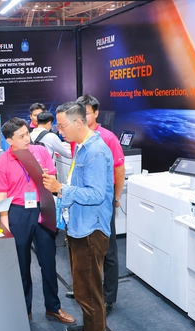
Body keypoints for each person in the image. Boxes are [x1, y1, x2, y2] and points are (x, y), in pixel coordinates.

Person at [43, 101, 113, 331]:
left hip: (90, 230)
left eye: (62, 126)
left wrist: (61, 189)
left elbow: (96, 194)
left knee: (89, 292)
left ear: (78, 123)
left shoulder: (95, 152)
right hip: (80, 226)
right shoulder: (83, 147)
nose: (59, 131)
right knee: (84, 288)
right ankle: (91, 328)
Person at [0, 117, 75, 325]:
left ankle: (53, 307)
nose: (27, 139)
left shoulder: (40, 152)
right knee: (21, 264)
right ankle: (25, 310)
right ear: (10, 141)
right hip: (18, 213)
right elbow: (1, 196)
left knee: (49, 262)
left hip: (42, 207)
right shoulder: (2, 162)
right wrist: (5, 225)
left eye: (27, 133)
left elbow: (52, 180)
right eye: (21, 137)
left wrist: (45, 176)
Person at [76, 94, 125, 316]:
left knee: (108, 249)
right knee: (87, 247)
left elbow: (119, 170)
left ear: (96, 113)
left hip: (103, 200)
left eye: (85, 113)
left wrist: (116, 198)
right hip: (84, 199)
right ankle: (90, 289)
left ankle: (108, 297)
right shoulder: (78, 137)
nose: (82, 117)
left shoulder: (107, 138)